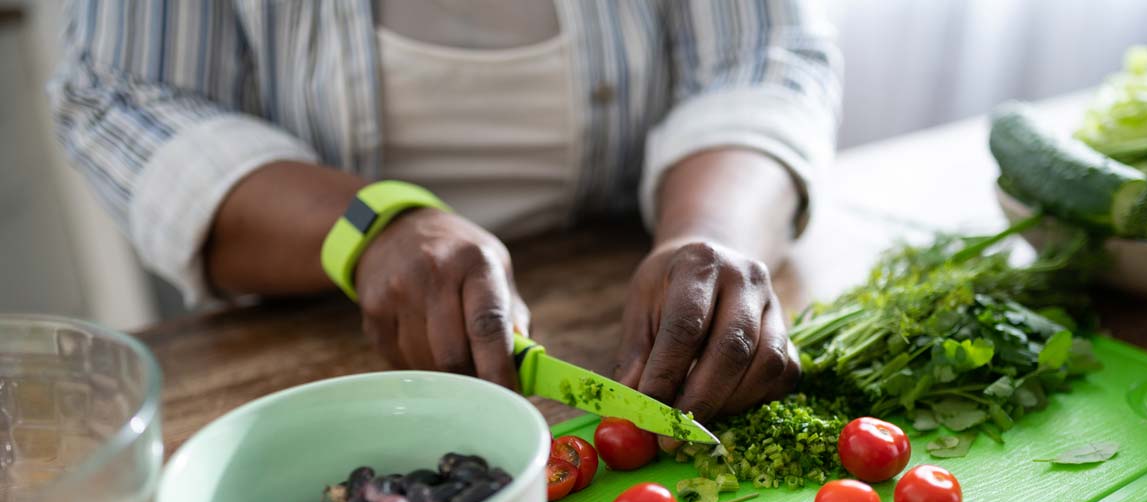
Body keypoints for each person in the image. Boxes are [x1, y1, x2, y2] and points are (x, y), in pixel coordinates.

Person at [50, 1, 840, 425]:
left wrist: (713, 240)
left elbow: (766, 54)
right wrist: (371, 228)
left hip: (610, 289)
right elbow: (118, 100)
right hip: (309, 345)